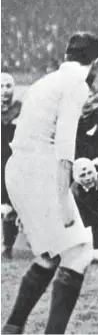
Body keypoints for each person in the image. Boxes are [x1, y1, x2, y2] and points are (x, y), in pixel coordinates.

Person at [2, 32, 98, 334]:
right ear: (96, 62)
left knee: (50, 254)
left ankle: (12, 328)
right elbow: (63, 148)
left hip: (18, 168)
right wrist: (62, 202)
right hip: (41, 169)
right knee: (81, 252)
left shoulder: (42, 83)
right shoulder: (76, 85)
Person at [1, 72, 21, 259]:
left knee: (11, 204)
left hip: (14, 162)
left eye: (8, 86)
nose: (5, 91)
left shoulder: (20, 109)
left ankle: (7, 245)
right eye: (1, 86)